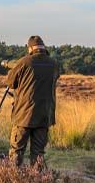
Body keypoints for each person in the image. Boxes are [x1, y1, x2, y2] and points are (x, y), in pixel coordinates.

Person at [5, 35, 60, 167]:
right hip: (44, 115)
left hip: (24, 115)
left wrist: (12, 68)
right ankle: (38, 181)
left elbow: (11, 83)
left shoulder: (23, 62)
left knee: (17, 151)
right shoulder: (54, 64)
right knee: (38, 153)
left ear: (30, 48)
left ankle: (12, 179)